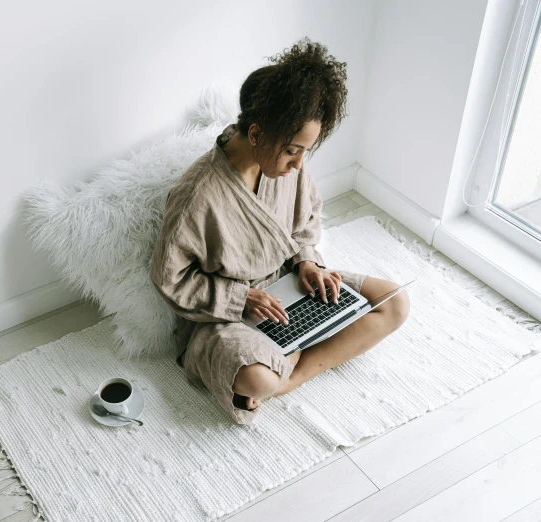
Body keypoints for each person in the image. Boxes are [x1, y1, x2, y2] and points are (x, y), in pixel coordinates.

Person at [150, 38, 410, 425]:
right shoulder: (197, 195)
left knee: (394, 302)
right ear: (256, 134)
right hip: (229, 315)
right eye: (292, 151)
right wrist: (242, 298)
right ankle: (285, 362)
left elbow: (306, 224)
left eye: (305, 151)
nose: (298, 164)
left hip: (289, 285)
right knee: (256, 376)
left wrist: (307, 264)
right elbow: (170, 279)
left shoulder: (287, 167)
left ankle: (292, 374)